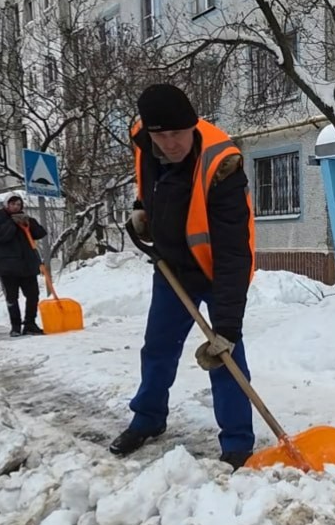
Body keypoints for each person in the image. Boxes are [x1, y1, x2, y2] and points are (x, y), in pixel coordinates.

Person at [109, 83, 257, 470]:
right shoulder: (146, 146)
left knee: (225, 355)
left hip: (215, 270)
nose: (171, 143)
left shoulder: (222, 165)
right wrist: (144, 212)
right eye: (161, 135)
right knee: (157, 347)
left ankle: (238, 442)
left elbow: (234, 253)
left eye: (178, 133)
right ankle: (148, 418)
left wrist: (226, 325)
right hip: (171, 269)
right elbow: (154, 189)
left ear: (193, 125)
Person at [0, 195, 47, 337]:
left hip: (27, 265)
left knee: (33, 295)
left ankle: (30, 324)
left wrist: (29, 222)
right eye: (13, 204)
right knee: (12, 298)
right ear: (7, 205)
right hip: (9, 267)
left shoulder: (24, 219)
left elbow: (40, 233)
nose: (16, 207)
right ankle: (16, 327)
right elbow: (0, 236)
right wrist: (12, 223)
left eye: (18, 204)